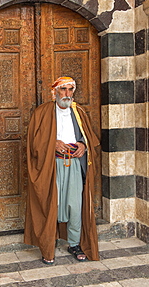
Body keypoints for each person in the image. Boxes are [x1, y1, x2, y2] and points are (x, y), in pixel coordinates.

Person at [24, 76, 99, 264]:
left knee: (75, 205)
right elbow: (33, 144)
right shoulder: (42, 112)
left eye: (70, 90)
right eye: (63, 90)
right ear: (54, 92)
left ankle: (74, 244)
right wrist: (52, 143)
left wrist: (83, 145)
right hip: (51, 165)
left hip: (74, 163)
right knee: (51, 204)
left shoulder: (79, 112)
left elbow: (89, 137)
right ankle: (47, 246)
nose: (67, 94)